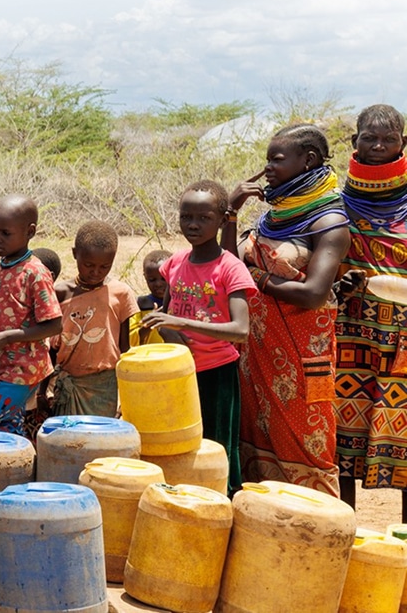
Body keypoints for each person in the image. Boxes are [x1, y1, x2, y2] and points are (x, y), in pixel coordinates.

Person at [226, 124, 351, 496]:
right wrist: (231, 212)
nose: (267, 168)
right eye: (267, 159)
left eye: (276, 160)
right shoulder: (272, 217)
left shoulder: (329, 223)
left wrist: (256, 277)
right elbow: (231, 266)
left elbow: (314, 293)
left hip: (299, 361)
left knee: (307, 449)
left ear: (308, 160)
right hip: (256, 356)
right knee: (255, 446)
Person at [142, 180, 253, 492]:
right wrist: (168, 332)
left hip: (217, 372)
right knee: (183, 448)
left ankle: (224, 507)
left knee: (217, 450)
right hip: (181, 374)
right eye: (185, 217)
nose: (193, 224)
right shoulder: (175, 263)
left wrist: (181, 324)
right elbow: (164, 317)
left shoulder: (229, 268)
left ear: (221, 219)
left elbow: (240, 331)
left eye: (203, 218)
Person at [335, 105, 407, 513]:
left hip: (403, 341)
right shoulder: (333, 203)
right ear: (354, 143)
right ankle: (345, 532)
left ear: (404, 144)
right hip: (346, 335)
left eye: (389, 139)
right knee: (340, 443)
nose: (379, 146)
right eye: (369, 138)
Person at [0, 195, 63, 436]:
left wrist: (6, 337)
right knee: (7, 430)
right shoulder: (1, 265)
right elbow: (13, 306)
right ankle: (17, 473)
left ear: (29, 232)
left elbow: (54, 325)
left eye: (5, 233)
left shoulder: (35, 272)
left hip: (21, 369)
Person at [51, 221, 136, 417]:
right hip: (67, 381)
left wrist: (128, 393)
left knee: (99, 442)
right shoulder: (60, 293)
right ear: (74, 254)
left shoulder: (121, 294)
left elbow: (125, 349)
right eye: (89, 265)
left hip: (104, 384)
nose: (96, 272)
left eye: (104, 266)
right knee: (66, 440)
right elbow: (51, 346)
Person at [127, 249, 171, 347]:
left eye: (164, 278)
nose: (158, 284)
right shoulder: (139, 305)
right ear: (145, 277)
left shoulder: (182, 303)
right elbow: (130, 340)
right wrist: (149, 324)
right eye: (152, 279)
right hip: (149, 359)